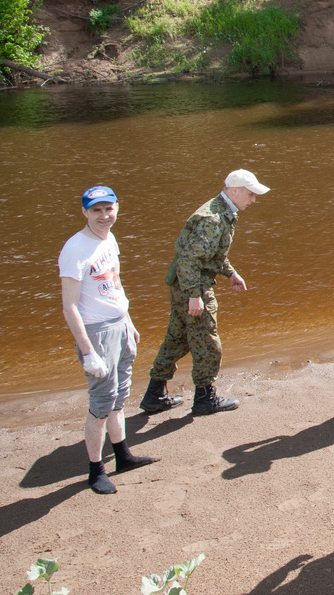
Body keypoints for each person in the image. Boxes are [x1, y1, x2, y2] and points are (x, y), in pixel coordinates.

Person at [140, 169, 270, 416]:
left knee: (177, 338)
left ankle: (154, 395)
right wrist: (194, 294)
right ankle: (205, 400)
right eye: (251, 194)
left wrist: (230, 273)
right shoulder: (213, 218)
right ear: (234, 191)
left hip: (184, 285)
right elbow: (189, 260)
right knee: (208, 342)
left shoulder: (221, 211)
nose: (253, 200)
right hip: (193, 285)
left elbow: (212, 255)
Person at [59, 185, 157, 494]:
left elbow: (115, 283)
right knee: (101, 404)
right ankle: (95, 470)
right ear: (85, 212)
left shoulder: (109, 238)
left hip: (120, 327)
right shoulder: (75, 249)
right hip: (97, 333)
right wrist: (88, 352)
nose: (104, 215)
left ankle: (123, 455)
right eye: (96, 210)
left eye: (108, 209)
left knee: (119, 397)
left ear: (117, 208)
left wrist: (129, 321)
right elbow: (69, 306)